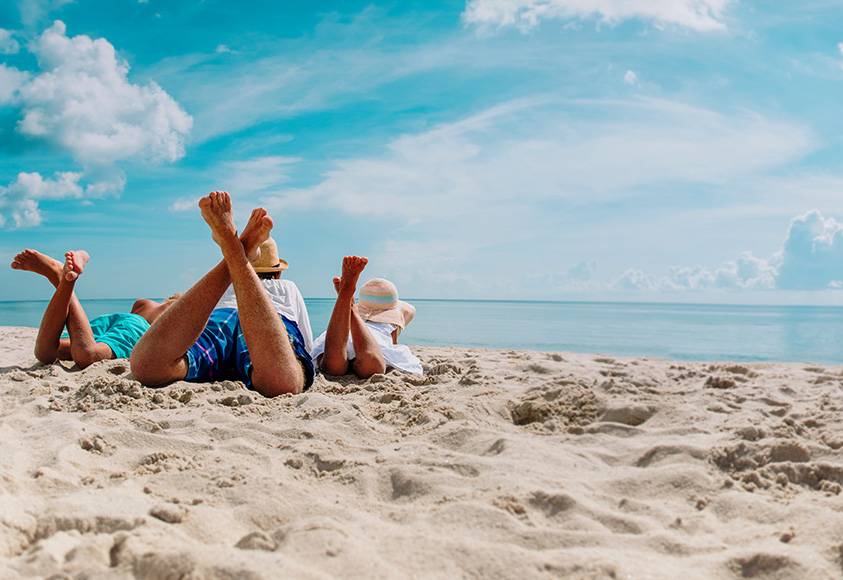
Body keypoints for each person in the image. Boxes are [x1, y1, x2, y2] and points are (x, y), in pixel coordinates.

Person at [130, 192, 314, 396]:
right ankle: (236, 250)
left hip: (222, 316)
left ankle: (233, 249)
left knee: (148, 367)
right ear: (278, 272)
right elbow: (306, 340)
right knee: (282, 382)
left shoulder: (222, 284)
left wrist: (233, 258)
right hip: (266, 323)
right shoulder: (287, 287)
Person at [10, 249, 176, 368]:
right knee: (88, 355)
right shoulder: (170, 308)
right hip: (139, 326)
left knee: (46, 353)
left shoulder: (145, 304)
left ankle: (59, 277)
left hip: (111, 321)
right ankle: (63, 279)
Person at [312, 256, 422, 378]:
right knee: (373, 367)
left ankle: (348, 304)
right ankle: (352, 311)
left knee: (331, 366)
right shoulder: (389, 324)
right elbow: (393, 344)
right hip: (371, 340)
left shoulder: (341, 322)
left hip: (341, 334)